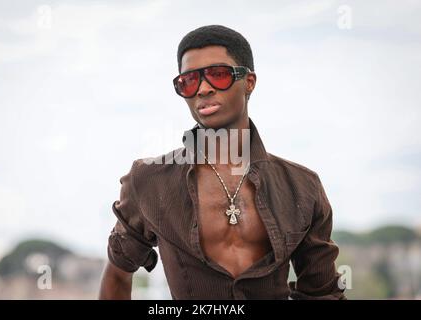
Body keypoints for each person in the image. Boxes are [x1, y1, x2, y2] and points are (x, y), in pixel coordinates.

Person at [99, 25, 345, 300]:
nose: (203, 89)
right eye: (189, 81)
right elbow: (118, 274)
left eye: (218, 75)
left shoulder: (302, 187)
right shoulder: (149, 181)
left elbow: (323, 293)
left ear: (249, 81)